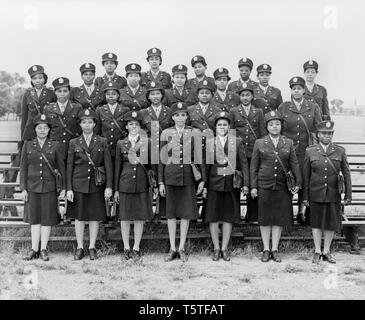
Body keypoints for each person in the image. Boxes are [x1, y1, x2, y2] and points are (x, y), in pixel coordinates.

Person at [250, 111, 302, 263]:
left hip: (282, 185)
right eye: (271, 124)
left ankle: (275, 249)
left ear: (281, 126)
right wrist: (253, 186)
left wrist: (298, 183)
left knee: (279, 218)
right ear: (267, 127)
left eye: (277, 124)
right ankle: (266, 249)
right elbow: (254, 166)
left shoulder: (288, 142)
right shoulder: (259, 143)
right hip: (264, 184)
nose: (274, 127)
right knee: (265, 218)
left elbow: (294, 164)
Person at [159, 102, 206, 262]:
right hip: (170, 176)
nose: (180, 118)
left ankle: (182, 247)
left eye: (183, 115)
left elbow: (200, 158)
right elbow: (161, 159)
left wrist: (202, 180)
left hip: (187, 176)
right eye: (177, 115)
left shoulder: (194, 132)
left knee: (186, 214)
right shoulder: (166, 133)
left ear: (187, 117)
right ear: (172, 117)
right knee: (171, 214)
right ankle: (172, 248)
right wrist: (160, 182)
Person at [66, 109, 113, 260]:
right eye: (84, 122)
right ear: (80, 124)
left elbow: (108, 165)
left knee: (94, 217)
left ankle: (92, 246)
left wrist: (109, 186)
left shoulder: (102, 141)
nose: (87, 125)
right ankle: (80, 247)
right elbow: (69, 167)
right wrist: (69, 188)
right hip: (78, 184)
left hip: (96, 185)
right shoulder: (74, 142)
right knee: (79, 218)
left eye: (90, 122)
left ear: (94, 124)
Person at [303, 120, 352, 264]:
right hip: (315, 192)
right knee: (316, 223)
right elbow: (306, 176)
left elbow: (346, 173)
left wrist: (348, 195)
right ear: (318, 135)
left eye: (330, 134)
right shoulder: (310, 151)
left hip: (333, 193)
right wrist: (305, 196)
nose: (327, 136)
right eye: (324, 133)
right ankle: (318, 250)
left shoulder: (340, 150)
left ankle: (327, 251)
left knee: (331, 223)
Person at [203, 111, 249, 261]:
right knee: (213, 217)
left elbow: (243, 164)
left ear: (229, 126)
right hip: (214, 184)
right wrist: (204, 184)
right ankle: (216, 248)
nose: (222, 127)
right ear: (215, 127)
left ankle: (224, 248)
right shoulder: (210, 142)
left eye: (225, 124)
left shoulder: (238, 141)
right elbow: (206, 165)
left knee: (229, 217)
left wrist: (246, 184)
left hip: (231, 184)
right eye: (219, 125)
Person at [20, 114, 66, 261]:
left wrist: (63, 188)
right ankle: (34, 249)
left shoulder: (55, 145)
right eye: (39, 127)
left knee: (46, 219)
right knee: (34, 219)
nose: (42, 130)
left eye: (45, 128)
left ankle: (44, 248)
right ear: (35, 129)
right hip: (32, 187)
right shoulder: (28, 145)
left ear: (49, 130)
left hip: (49, 187)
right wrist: (23, 188)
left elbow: (61, 168)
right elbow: (23, 168)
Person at [277, 76, 322, 225]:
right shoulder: (284, 107)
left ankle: (303, 214)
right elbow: (277, 128)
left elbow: (318, 129)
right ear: (291, 90)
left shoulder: (313, 107)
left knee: (305, 181)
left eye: (299, 88)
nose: (296, 91)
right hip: (287, 152)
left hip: (306, 151)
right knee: (287, 181)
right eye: (293, 88)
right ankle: (286, 216)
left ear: (303, 90)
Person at [114, 110, 158, 260]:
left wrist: (155, 186)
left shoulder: (147, 142)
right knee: (125, 217)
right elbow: (117, 168)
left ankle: (136, 247)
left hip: (141, 183)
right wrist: (115, 189)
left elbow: (152, 166)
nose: (134, 127)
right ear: (126, 127)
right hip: (125, 183)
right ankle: (126, 247)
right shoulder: (121, 143)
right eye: (131, 124)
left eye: (136, 125)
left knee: (139, 216)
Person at [229, 83, 266, 222]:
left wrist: (262, 150)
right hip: (238, 153)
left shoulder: (258, 112)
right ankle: (235, 215)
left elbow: (262, 132)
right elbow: (231, 132)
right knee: (237, 181)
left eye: (248, 95)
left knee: (253, 180)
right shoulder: (233, 111)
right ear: (239, 97)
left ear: (252, 96)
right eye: (243, 95)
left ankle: (252, 216)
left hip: (253, 152)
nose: (245, 98)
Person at [44, 77, 83, 159]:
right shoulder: (48, 109)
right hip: (55, 149)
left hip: (72, 148)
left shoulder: (77, 108)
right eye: (59, 91)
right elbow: (46, 130)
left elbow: (80, 129)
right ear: (55, 92)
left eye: (65, 91)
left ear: (69, 92)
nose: (62, 94)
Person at [95, 81, 129, 166]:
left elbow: (128, 129)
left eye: (113, 94)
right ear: (105, 96)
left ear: (118, 95)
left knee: (119, 168)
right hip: (105, 147)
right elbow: (97, 130)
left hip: (120, 147)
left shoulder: (125, 110)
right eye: (108, 94)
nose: (111, 96)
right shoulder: (100, 110)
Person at [21, 65, 57, 143]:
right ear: (31, 80)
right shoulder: (27, 94)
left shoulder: (51, 93)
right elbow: (24, 118)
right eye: (34, 78)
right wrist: (22, 138)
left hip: (47, 131)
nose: (37, 81)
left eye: (40, 78)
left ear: (44, 79)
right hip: (30, 133)